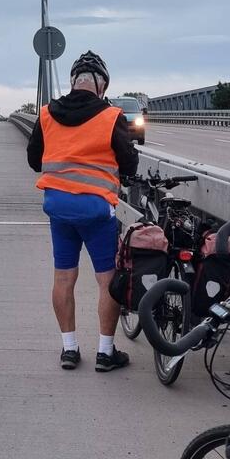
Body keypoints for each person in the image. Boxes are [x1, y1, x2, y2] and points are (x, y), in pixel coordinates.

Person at [26, 51, 140, 372]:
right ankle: (105, 352)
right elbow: (129, 163)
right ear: (101, 85)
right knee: (108, 280)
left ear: (73, 81)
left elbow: (34, 160)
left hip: (59, 207)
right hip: (95, 209)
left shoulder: (47, 114)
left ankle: (69, 349)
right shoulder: (111, 115)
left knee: (64, 277)